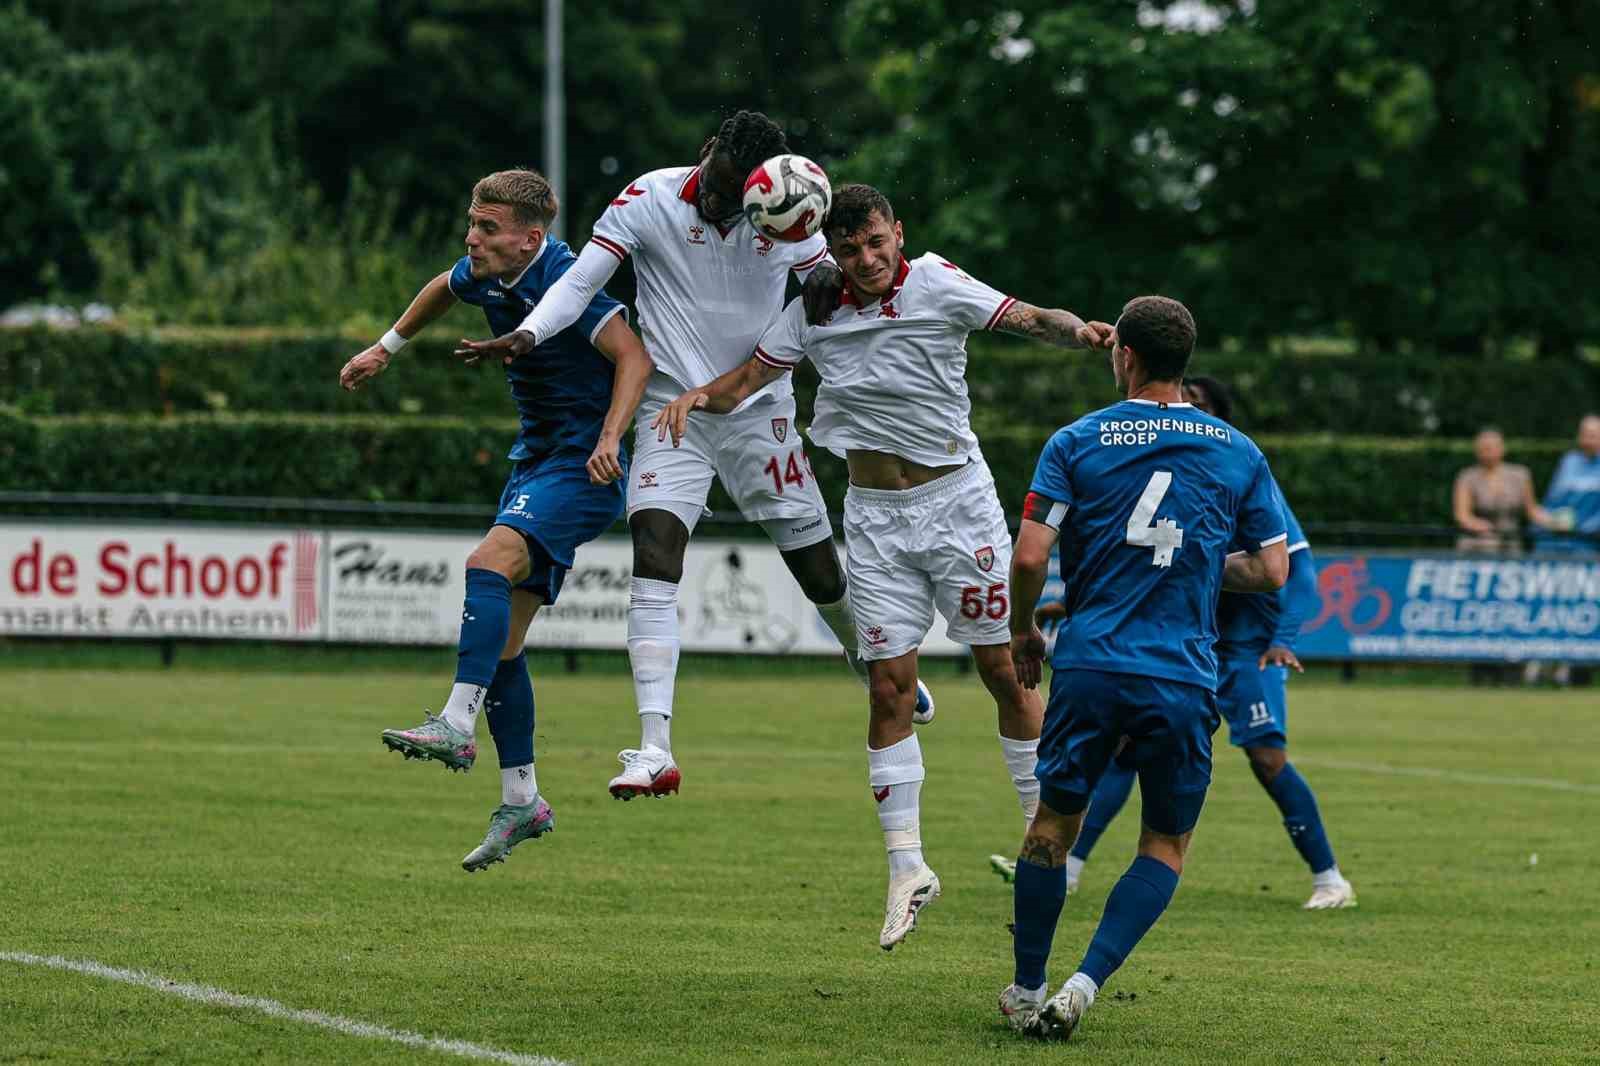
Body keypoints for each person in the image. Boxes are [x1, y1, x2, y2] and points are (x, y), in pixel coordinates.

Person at [652, 183, 1115, 950]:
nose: (866, 260)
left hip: (958, 506)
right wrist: (687, 398)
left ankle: (1048, 838)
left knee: (1003, 671)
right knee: (887, 685)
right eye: (849, 249)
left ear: (898, 233)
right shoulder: (816, 308)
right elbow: (747, 380)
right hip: (873, 522)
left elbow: (1030, 316)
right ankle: (907, 867)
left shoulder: (936, 280)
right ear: (830, 250)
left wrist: (1083, 333)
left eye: (876, 243)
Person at [455, 112, 932, 801]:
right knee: (653, 558)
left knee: (820, 573)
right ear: (705, 155)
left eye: (733, 195)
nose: (717, 201)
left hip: (758, 414)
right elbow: (581, 283)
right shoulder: (647, 198)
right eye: (713, 184)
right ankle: (655, 747)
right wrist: (529, 334)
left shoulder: (782, 214)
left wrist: (829, 281)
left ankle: (871, 664)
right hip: (672, 413)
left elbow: (832, 276)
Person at [337, 169, 653, 871]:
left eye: (486, 229)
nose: (471, 240)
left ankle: (456, 722)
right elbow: (443, 287)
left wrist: (610, 439)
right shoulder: (488, 273)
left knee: (485, 562)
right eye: (472, 225)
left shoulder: (570, 279)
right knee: (505, 646)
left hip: (581, 468)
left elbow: (634, 356)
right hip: (535, 463)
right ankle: (523, 799)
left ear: (529, 239)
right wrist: (384, 348)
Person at [999, 297, 1289, 1040]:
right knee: (1164, 842)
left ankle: (1028, 986)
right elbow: (1271, 569)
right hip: (1184, 673)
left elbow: (1029, 555)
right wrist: (1193, 567)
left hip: (1091, 664)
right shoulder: (1236, 449)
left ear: (1122, 354)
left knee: (1053, 826)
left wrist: (1024, 628)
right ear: (1183, 363)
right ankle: (1084, 985)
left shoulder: (1075, 440)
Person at [1006, 374, 1354, 911]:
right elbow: (1150, 566)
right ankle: (1071, 866)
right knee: (1124, 750)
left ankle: (1329, 876)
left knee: (1266, 758)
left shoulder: (1238, 466)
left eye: (1198, 405)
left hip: (1244, 647)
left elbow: (1295, 570)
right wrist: (1070, 605)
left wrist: (1283, 638)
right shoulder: (1167, 464)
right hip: (1182, 643)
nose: (1183, 411)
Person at [1452, 428, 1552, 553]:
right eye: (1483, 449)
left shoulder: (1520, 475)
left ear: (1502, 448)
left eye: (1490, 448)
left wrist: (1552, 521)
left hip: (1510, 540)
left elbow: (1532, 510)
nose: (1487, 453)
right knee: (1488, 544)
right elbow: (1462, 515)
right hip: (1477, 541)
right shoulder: (1467, 476)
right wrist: (1479, 526)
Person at [1534, 415, 1600, 554]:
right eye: (1584, 435)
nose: (1588, 441)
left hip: (1589, 543)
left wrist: (1579, 528)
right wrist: (1549, 519)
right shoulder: (1568, 461)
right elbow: (1552, 499)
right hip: (1555, 537)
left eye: (1593, 436)